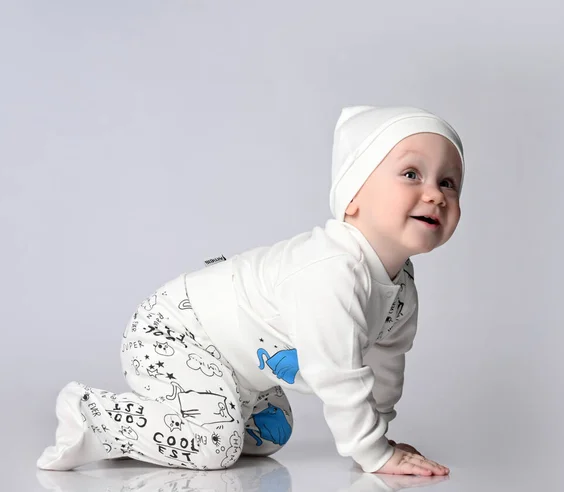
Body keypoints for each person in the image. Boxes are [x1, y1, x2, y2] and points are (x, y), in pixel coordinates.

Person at [38, 105, 464, 476]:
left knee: (271, 433)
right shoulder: (334, 271)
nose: (436, 195)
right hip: (175, 328)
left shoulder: (401, 287)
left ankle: (155, 431)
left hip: (240, 368)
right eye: (412, 174)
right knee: (215, 446)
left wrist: (379, 438)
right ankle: (91, 416)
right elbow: (337, 375)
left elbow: (385, 363)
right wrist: (371, 452)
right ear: (352, 197)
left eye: (449, 183)